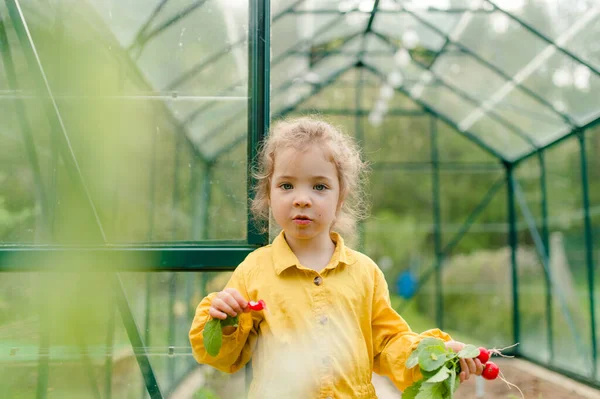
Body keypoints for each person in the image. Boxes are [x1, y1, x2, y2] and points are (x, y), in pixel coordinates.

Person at [189, 116, 483, 398]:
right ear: (269, 195)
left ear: (340, 197)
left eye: (319, 186)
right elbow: (223, 355)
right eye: (286, 185)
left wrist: (436, 355)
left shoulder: (365, 272)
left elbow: (388, 343)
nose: (302, 198)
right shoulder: (254, 270)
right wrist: (224, 321)